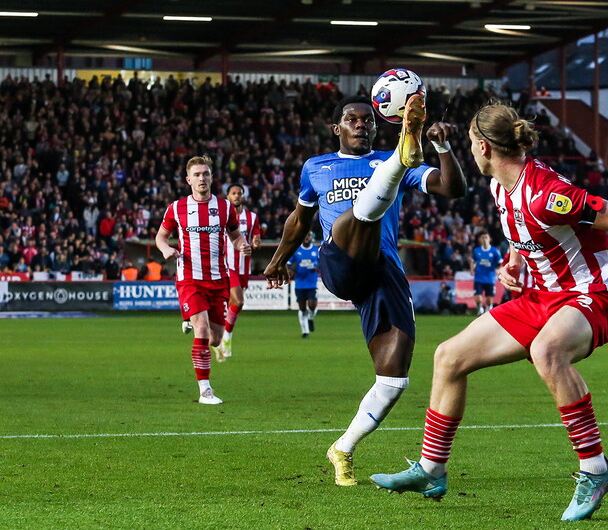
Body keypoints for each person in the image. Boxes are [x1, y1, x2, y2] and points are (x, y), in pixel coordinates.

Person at [370, 102, 608, 521]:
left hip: (590, 294)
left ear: (483, 147)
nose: (469, 152)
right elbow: (523, 233)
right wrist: (516, 261)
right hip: (541, 298)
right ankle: (432, 469)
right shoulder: (502, 186)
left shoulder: (547, 195)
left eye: (470, 145)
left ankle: (596, 469)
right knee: (449, 357)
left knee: (547, 352)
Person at [263, 93, 466, 486]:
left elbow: (451, 188)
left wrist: (441, 147)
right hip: (338, 261)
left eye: (368, 120)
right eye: (352, 119)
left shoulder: (401, 163)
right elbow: (299, 219)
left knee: (394, 378)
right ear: (337, 129)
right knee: (359, 217)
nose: (361, 124)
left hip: (381, 272)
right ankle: (400, 153)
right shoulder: (316, 167)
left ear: (376, 126)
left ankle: (342, 448)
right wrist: (277, 260)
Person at [155, 155, 251, 405]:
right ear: (188, 179)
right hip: (189, 278)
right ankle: (205, 390)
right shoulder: (176, 208)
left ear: (211, 177)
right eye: (197, 174)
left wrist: (243, 246)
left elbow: (236, 235)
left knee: (215, 339)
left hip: (218, 279)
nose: (201, 178)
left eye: (205, 174)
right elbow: (161, 237)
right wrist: (166, 250)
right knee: (202, 328)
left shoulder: (225, 207)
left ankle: (190, 320)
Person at [212, 183, 262, 361]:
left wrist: (255, 242)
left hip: (244, 268)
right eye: (233, 193)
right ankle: (227, 337)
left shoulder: (252, 217)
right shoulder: (221, 215)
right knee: (239, 301)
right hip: (227, 265)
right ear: (228, 196)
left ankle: (216, 340)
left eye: (239, 193)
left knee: (230, 305)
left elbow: (256, 238)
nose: (237, 195)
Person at [287, 232, 320, 338]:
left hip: (312, 283)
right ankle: (305, 331)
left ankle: (310, 317)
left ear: (311, 238)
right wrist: (290, 271)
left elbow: (322, 264)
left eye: (308, 236)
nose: (306, 237)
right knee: (302, 308)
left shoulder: (316, 250)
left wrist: (318, 268)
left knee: (311, 304)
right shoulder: (296, 250)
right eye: (304, 236)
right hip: (299, 283)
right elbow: (288, 263)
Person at [470, 231, 502, 316]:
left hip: (490, 278)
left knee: (489, 300)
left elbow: (500, 263)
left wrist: (498, 270)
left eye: (486, 237)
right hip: (479, 277)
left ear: (489, 239)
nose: (484, 239)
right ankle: (480, 311)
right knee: (478, 298)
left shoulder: (495, 251)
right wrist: (472, 269)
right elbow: (473, 261)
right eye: (482, 237)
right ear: (480, 239)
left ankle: (488, 312)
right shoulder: (477, 251)